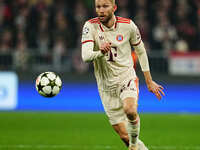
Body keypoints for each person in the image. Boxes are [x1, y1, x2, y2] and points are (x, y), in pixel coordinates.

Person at [81, 0, 165, 150]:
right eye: (98, 7)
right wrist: (100, 52)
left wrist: (149, 81)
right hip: (106, 87)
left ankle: (133, 147)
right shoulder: (90, 26)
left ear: (114, 8)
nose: (101, 10)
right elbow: (86, 56)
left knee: (130, 110)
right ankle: (137, 146)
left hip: (126, 77)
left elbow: (141, 51)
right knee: (124, 136)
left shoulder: (128, 25)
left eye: (105, 6)